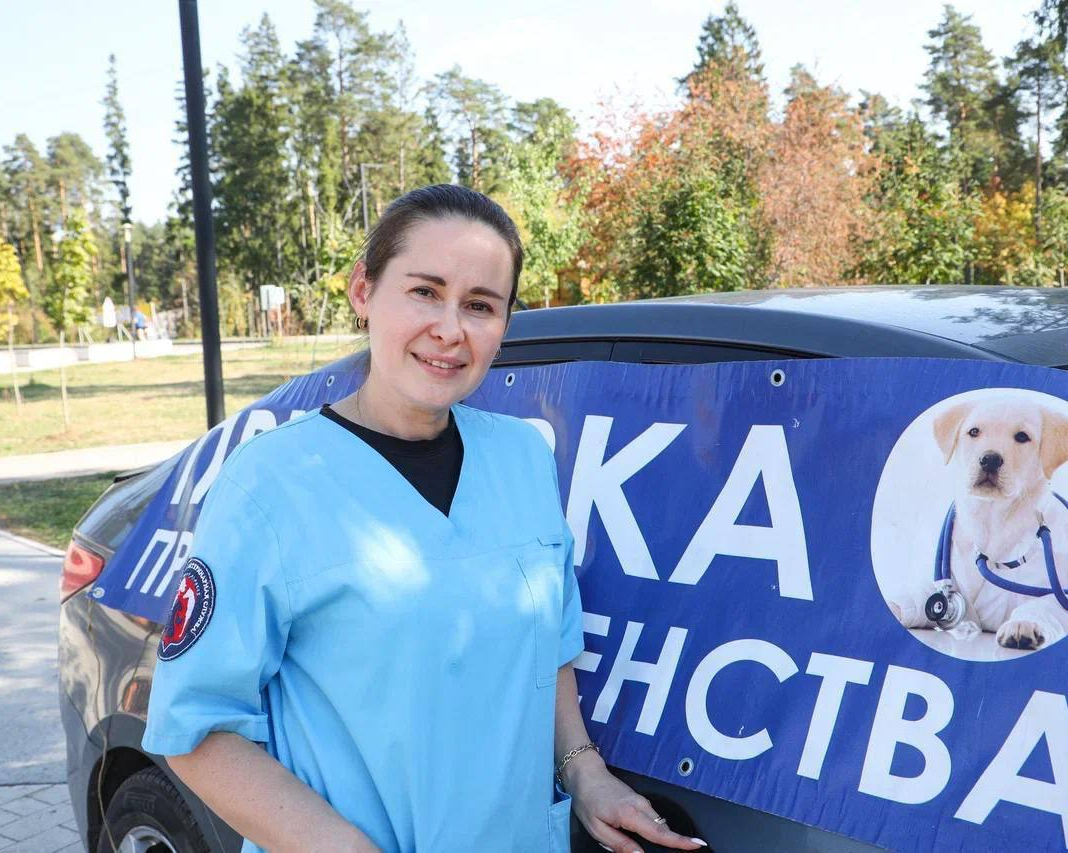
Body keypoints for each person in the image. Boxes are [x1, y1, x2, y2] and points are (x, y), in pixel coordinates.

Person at [143, 185, 706, 853]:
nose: (450, 329)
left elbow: (547, 647)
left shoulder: (523, 455)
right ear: (363, 291)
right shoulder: (269, 483)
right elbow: (198, 729)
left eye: (480, 305)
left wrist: (585, 773)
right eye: (424, 291)